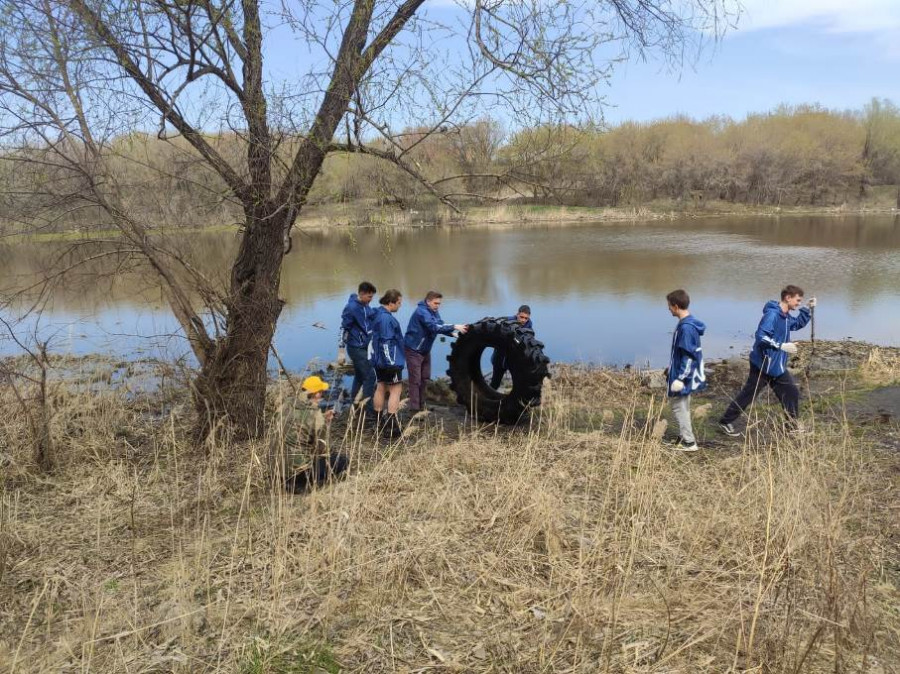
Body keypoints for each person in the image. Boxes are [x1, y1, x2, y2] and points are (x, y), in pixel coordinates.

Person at [719, 285, 817, 436]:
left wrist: (807, 309)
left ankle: (792, 427)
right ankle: (725, 422)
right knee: (748, 395)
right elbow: (760, 336)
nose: (798, 303)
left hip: (777, 367)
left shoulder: (785, 316)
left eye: (800, 301)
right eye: (798, 300)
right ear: (787, 298)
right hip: (763, 365)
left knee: (791, 393)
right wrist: (781, 345)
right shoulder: (772, 315)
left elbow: (796, 324)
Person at [403, 291, 468, 412]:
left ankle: (421, 405)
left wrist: (454, 334)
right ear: (428, 301)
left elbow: (440, 325)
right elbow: (433, 327)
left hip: (425, 350)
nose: (438, 306)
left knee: (425, 378)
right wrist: (454, 326)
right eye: (436, 303)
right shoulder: (421, 312)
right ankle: (414, 409)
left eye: (439, 304)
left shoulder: (433, 311)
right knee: (415, 380)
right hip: (413, 350)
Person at [272, 375, 336, 487]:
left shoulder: (286, 404)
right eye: (321, 392)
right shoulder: (315, 415)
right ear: (317, 394)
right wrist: (326, 424)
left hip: (276, 471)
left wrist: (320, 417)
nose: (322, 396)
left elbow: (299, 421)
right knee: (341, 461)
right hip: (299, 474)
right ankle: (304, 485)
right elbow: (324, 449)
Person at [664, 290, 706, 452]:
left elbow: (689, 357)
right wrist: (671, 367)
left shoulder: (686, 328)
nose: (668, 309)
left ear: (675, 306)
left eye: (669, 306)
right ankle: (683, 437)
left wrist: (680, 378)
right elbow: (680, 353)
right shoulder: (688, 323)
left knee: (679, 407)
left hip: (684, 376)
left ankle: (689, 442)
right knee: (682, 406)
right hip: (680, 372)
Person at [370, 289, 405, 431]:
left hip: (378, 360)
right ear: (391, 303)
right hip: (388, 361)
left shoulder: (378, 314)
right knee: (396, 390)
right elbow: (386, 342)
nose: (400, 306)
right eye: (399, 303)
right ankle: (391, 426)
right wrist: (391, 363)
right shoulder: (386, 318)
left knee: (381, 387)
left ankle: (377, 421)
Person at [338, 281, 377, 411]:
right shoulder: (351, 308)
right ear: (361, 294)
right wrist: (341, 351)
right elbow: (344, 329)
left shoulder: (366, 305)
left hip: (365, 346)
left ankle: (355, 404)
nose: (371, 300)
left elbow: (370, 317)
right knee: (370, 376)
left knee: (360, 376)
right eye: (369, 297)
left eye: (372, 297)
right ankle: (370, 411)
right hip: (356, 348)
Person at [490, 305, 533, 389]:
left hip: (513, 360)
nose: (523, 320)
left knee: (519, 383)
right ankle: (486, 399)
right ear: (517, 314)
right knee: (495, 383)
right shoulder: (507, 321)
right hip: (500, 357)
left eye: (526, 318)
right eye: (521, 317)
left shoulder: (529, 325)